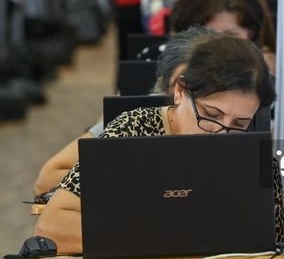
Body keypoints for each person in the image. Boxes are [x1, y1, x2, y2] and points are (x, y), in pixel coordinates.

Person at [35, 34, 283, 254]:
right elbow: (53, 225)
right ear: (180, 91)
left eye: (240, 123)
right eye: (211, 115)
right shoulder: (133, 130)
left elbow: (277, 240)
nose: (222, 133)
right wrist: (174, 236)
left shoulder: (252, 151)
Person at [33, 27, 215, 196]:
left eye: (207, 88)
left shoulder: (230, 125)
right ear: (165, 85)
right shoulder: (133, 120)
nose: (193, 94)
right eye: (183, 85)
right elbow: (46, 181)